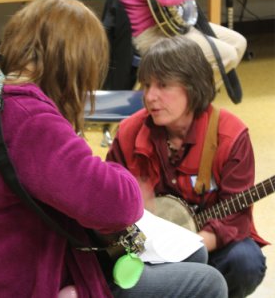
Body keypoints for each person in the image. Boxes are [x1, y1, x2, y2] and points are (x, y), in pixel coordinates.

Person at [0, 0, 228, 297]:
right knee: (208, 282)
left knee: (194, 253)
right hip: (30, 284)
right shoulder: (30, 122)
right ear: (75, 66)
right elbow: (118, 205)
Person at [106, 35, 267, 298]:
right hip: (146, 251)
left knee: (245, 261)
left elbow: (235, 221)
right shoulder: (129, 132)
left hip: (208, 244)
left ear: (193, 86)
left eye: (163, 85)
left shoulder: (230, 136)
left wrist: (186, 249)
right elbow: (107, 199)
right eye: (146, 85)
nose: (150, 96)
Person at [114, 0, 247, 90]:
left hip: (172, 25)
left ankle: (190, 104)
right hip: (152, 35)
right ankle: (184, 105)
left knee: (238, 43)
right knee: (227, 55)